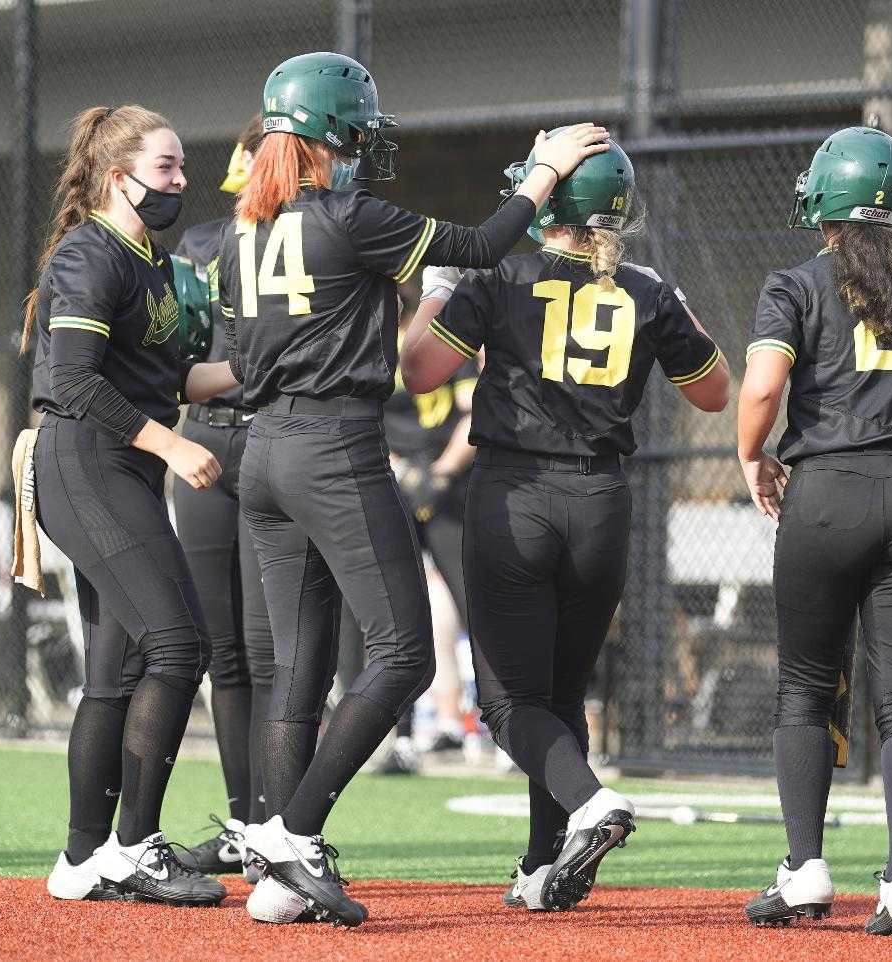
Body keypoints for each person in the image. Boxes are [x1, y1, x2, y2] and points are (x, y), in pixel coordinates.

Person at [221, 51, 610, 928]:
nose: (365, 144)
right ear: (328, 133)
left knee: (299, 669)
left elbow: (248, 357)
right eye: (355, 130)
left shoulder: (243, 230)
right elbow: (477, 247)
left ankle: (276, 878)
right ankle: (293, 833)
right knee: (404, 654)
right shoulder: (347, 214)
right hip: (332, 447)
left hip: (264, 453)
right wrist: (546, 172)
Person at [401, 132, 730, 912]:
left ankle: (591, 804)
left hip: (515, 493)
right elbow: (715, 391)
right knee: (560, 694)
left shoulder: (499, 271)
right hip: (600, 505)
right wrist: (672, 308)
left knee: (510, 703)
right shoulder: (645, 287)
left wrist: (445, 289)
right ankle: (541, 864)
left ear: (546, 200)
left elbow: (417, 370)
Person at [737, 127, 892, 937]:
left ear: (823, 199)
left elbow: (765, 387)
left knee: (805, 689)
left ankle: (804, 869)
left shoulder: (796, 283)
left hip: (827, 496)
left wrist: (751, 457)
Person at [25, 105, 239, 907]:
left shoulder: (156, 263)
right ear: (118, 178)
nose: (182, 182)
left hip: (121, 465)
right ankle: (135, 845)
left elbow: (175, 380)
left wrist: (267, 366)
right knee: (180, 647)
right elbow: (76, 382)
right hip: (86, 461)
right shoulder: (90, 253)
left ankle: (83, 860)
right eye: (166, 168)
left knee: (117, 672)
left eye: (183, 168)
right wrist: (174, 447)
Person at [170, 115, 274, 881]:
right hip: (205, 439)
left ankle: (283, 825)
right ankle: (245, 825)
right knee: (225, 654)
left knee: (276, 652)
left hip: (280, 442)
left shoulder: (319, 234)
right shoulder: (200, 243)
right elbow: (175, 351)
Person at [376, 287, 477, 775]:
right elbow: (359, 421)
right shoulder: (366, 345)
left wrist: (440, 474)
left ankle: (500, 729)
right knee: (395, 611)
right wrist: (399, 470)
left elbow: (475, 415)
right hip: (391, 484)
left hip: (448, 489)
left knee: (472, 602)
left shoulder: (448, 345)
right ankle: (400, 737)